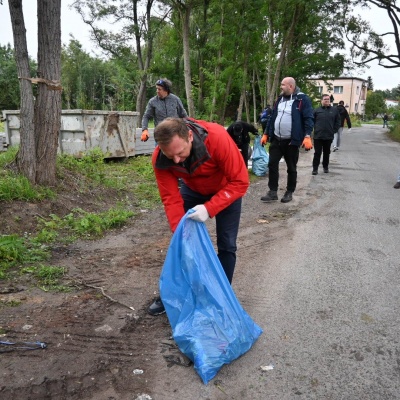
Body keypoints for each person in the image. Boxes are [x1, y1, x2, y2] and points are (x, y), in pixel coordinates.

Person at [148, 117, 250, 315]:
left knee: (227, 244)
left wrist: (209, 208)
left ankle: (221, 295)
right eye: (171, 156)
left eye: (179, 153)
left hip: (226, 189)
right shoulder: (161, 158)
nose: (176, 160)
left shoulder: (217, 138)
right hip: (193, 189)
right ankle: (175, 293)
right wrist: (181, 231)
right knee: (180, 240)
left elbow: (240, 182)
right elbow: (170, 197)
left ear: (189, 137)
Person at [259, 77, 314, 203]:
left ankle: (289, 192)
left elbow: (309, 118)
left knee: (291, 167)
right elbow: (273, 117)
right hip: (277, 139)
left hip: (291, 141)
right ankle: (272, 191)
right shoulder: (280, 99)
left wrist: (307, 136)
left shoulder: (302, 99)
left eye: (283, 85)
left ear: (290, 86)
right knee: (272, 164)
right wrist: (266, 133)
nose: (281, 87)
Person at [312, 94, 341, 175]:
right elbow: (311, 121)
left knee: (326, 152)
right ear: (321, 100)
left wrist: (333, 130)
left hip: (328, 136)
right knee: (317, 153)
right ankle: (315, 169)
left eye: (328, 99)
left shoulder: (334, 110)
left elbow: (338, 121)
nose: (327, 101)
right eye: (325, 99)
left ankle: (325, 167)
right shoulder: (317, 110)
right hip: (318, 136)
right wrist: (314, 130)